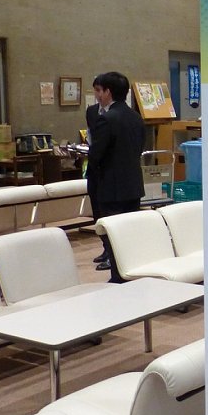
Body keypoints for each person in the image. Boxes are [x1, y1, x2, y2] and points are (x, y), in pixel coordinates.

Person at [87, 71, 145, 283]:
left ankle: (118, 278)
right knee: (130, 234)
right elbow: (139, 148)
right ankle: (133, 274)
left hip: (111, 187)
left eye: (99, 91)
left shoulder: (107, 119)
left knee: (114, 235)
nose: (98, 96)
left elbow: (96, 154)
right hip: (133, 184)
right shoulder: (136, 117)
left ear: (108, 92)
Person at [84, 93, 109, 267]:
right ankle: (105, 248)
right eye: (96, 90)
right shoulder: (92, 111)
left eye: (101, 90)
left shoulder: (116, 114)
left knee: (110, 214)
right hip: (94, 169)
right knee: (97, 213)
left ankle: (112, 253)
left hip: (109, 172)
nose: (98, 94)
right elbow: (91, 136)